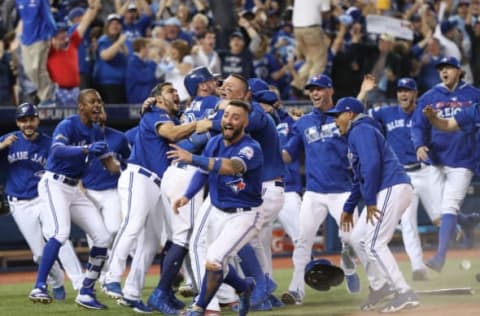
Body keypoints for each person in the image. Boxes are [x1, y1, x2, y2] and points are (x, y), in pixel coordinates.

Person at [103, 82, 198, 314]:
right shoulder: (154, 113)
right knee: (132, 224)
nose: (175, 94)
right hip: (140, 176)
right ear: (157, 99)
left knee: (152, 242)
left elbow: (178, 130)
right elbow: (172, 133)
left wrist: (189, 120)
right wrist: (201, 123)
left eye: (176, 92)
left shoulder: (172, 119)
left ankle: (132, 293)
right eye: (169, 91)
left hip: (158, 184)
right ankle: (110, 277)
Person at [167, 99, 263, 316]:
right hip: (219, 210)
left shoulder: (251, 148)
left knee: (214, 259)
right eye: (226, 116)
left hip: (244, 215)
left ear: (245, 123)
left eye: (235, 117)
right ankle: (243, 286)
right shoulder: (215, 142)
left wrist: (192, 158)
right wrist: (186, 196)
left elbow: (231, 167)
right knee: (215, 260)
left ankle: (199, 307)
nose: (229, 121)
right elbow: (203, 173)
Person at [327, 97, 420, 313]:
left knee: (373, 243)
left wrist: (369, 202)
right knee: (358, 238)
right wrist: (349, 207)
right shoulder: (355, 134)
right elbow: (361, 177)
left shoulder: (362, 130)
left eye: (337, 115)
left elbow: (372, 166)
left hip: (391, 187)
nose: (335, 121)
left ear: (349, 114)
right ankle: (381, 286)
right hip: (385, 189)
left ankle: (404, 292)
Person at [28, 89, 118, 309]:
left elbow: (112, 166)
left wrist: (127, 165)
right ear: (81, 106)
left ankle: (86, 291)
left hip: (74, 188)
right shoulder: (67, 125)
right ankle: (39, 286)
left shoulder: (97, 132)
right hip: (55, 183)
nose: (97, 105)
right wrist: (86, 148)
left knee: (102, 237)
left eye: (99, 101)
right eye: (92, 102)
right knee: (60, 233)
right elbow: (57, 151)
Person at [281, 74, 359, 305]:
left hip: (343, 190)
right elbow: (287, 154)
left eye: (319, 89)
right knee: (303, 240)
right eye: (311, 90)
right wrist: (267, 153)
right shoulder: (302, 123)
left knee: (353, 239)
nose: (314, 93)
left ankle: (350, 268)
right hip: (314, 192)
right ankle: (296, 291)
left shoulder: (343, 117)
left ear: (330, 91)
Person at [0, 103, 84, 299]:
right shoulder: (8, 140)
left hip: (44, 198)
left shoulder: (49, 144)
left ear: (37, 120)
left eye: (31, 119)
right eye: (23, 120)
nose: (28, 124)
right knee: (39, 254)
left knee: (59, 238)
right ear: (17, 122)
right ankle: (56, 284)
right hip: (19, 203)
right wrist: (2, 146)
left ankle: (81, 285)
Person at [365, 77, 442, 281]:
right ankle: (418, 268)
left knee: (443, 218)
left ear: (415, 93)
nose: (403, 94)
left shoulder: (425, 113)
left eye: (407, 90)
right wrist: (365, 92)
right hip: (402, 177)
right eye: (400, 90)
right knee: (408, 223)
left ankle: (461, 233)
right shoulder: (387, 112)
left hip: (427, 171)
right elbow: (360, 113)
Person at [411, 56, 480, 272]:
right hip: (436, 160)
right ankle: (466, 220)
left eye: (449, 67)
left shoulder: (474, 96)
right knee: (439, 212)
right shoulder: (430, 97)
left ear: (459, 71)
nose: (444, 71)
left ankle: (440, 256)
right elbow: (420, 125)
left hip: (463, 160)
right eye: (441, 68)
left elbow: (451, 125)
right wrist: (419, 145)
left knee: (448, 205)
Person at [47, 0, 100, 106]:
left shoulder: (72, 43)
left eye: (64, 32)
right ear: (53, 37)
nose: (62, 35)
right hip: (57, 92)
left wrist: (91, 8)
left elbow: (84, 24)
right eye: (59, 34)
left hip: (75, 91)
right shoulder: (50, 51)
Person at [16, 0, 56, 105]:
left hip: (40, 37)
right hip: (25, 39)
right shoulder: (18, 1)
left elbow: (47, 15)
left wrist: (53, 32)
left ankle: (47, 97)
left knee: (37, 68)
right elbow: (23, 18)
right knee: (29, 71)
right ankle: (44, 93)